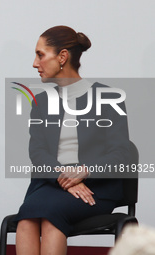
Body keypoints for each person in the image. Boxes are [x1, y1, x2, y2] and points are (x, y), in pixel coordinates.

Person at [15, 26, 130, 255]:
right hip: (50, 183)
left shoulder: (108, 99)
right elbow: (37, 153)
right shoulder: (40, 103)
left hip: (96, 187)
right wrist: (65, 177)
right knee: (26, 219)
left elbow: (121, 154)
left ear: (62, 57)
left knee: (50, 216)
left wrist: (84, 172)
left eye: (40, 55)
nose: (34, 63)